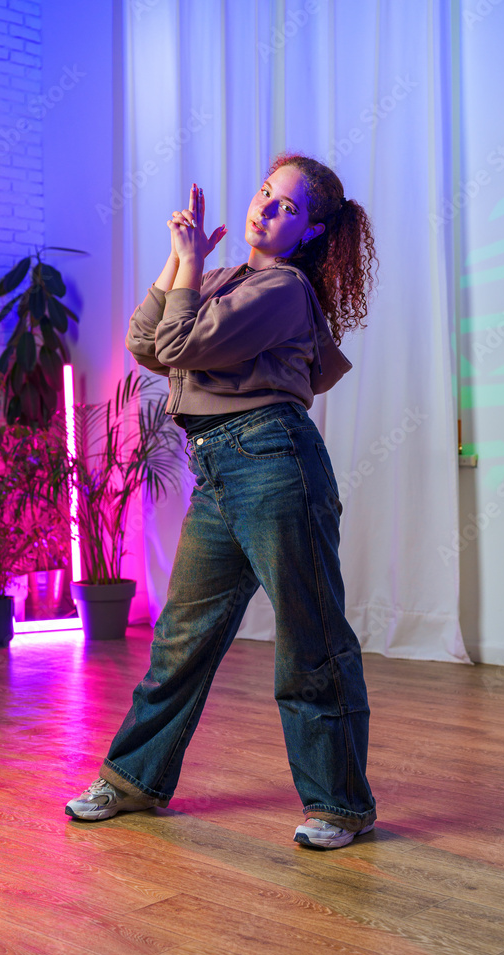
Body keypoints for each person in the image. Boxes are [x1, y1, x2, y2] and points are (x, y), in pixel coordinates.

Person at [66, 152, 379, 850]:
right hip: (218, 467)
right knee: (180, 637)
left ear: (309, 232)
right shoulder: (222, 279)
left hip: (273, 462)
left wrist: (184, 266)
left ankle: (339, 803)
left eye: (286, 207)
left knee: (310, 638)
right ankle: (131, 781)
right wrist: (182, 266)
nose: (264, 209)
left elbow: (177, 341)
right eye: (265, 193)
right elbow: (147, 341)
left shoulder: (284, 289)